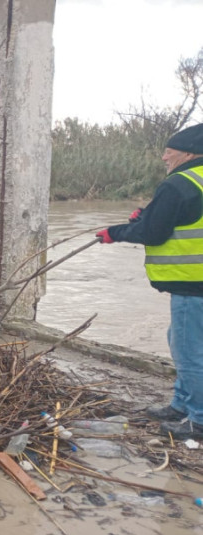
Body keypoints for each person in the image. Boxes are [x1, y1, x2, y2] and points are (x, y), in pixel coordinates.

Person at [96, 123, 203, 440]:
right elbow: (180, 218)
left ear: (187, 153)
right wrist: (146, 215)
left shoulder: (178, 183)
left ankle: (196, 420)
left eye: (168, 150)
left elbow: (153, 233)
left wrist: (114, 233)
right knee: (184, 343)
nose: (163, 156)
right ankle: (182, 405)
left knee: (189, 352)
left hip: (192, 284)